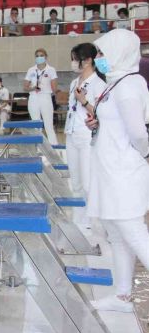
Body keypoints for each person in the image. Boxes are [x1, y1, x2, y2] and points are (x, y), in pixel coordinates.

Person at [85, 29, 149, 313]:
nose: (98, 59)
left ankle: (123, 294)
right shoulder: (115, 83)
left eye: (102, 54)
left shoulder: (128, 85)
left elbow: (138, 131)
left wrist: (146, 154)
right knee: (117, 234)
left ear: (120, 53)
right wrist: (97, 124)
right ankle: (123, 296)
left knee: (133, 232)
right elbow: (118, 124)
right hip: (110, 171)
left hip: (123, 173)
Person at [64, 43, 107, 229]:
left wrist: (84, 101)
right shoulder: (75, 83)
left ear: (88, 60)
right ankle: (79, 220)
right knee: (76, 182)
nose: (73, 63)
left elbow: (102, 113)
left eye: (76, 59)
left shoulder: (100, 84)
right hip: (71, 134)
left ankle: (95, 222)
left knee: (89, 183)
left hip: (87, 136)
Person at [23, 48, 58, 144]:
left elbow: (55, 87)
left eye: (41, 55)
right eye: (37, 56)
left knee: (48, 125)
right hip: (34, 98)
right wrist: (33, 88)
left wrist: (58, 92)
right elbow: (25, 87)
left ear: (46, 57)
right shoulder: (31, 70)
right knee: (36, 125)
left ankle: (54, 147)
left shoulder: (51, 70)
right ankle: (38, 147)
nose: (39, 57)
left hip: (46, 97)